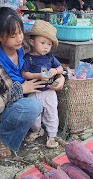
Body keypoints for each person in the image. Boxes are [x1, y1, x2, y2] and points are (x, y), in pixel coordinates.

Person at [0, 7, 65, 157]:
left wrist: (60, 77)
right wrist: (21, 89)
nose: (19, 38)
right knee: (32, 105)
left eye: (20, 32)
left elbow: (50, 66)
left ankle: (30, 128)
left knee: (38, 104)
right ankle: (2, 135)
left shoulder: (26, 49)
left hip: (26, 104)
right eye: (13, 35)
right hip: (6, 113)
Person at [21, 20, 63, 149]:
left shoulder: (50, 57)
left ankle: (51, 135)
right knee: (34, 116)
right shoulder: (28, 58)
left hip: (49, 90)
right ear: (32, 42)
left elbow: (61, 68)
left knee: (51, 113)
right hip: (34, 90)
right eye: (42, 43)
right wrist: (37, 76)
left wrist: (55, 71)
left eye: (49, 44)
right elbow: (24, 73)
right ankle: (37, 130)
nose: (46, 47)